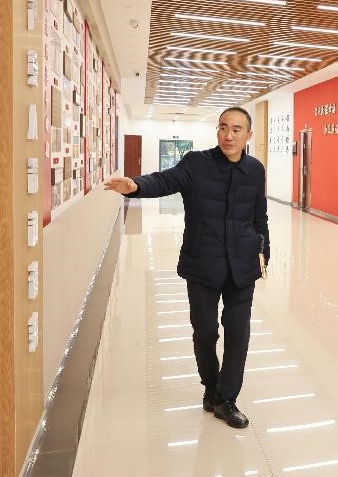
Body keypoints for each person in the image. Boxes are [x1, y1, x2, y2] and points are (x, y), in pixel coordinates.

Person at [104, 107, 269, 429]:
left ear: (248, 135)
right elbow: (165, 180)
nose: (228, 135)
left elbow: (259, 216)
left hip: (242, 265)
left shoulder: (254, 170)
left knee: (238, 334)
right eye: (223, 127)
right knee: (205, 332)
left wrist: (264, 254)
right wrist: (136, 185)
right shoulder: (197, 163)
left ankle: (227, 398)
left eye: (237, 129)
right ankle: (211, 388)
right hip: (203, 263)